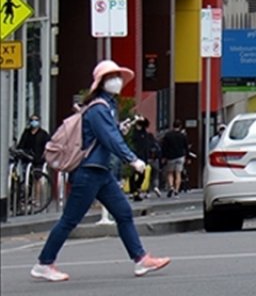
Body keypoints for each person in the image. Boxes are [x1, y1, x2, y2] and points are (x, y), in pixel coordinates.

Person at [32, 60, 171, 282]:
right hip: (89, 172)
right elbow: (109, 138)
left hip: (99, 171)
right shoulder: (98, 108)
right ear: (100, 83)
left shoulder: (105, 106)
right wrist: (132, 159)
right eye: (110, 77)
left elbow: (108, 135)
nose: (116, 81)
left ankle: (141, 259)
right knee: (70, 220)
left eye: (117, 76)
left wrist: (118, 131)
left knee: (123, 213)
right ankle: (44, 263)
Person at [159, 121, 189, 197]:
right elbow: (186, 147)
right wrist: (187, 156)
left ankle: (171, 187)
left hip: (171, 157)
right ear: (180, 126)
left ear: (173, 126)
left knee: (170, 173)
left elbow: (164, 147)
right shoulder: (182, 136)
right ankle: (176, 190)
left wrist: (163, 156)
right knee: (178, 173)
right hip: (180, 156)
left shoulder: (168, 136)